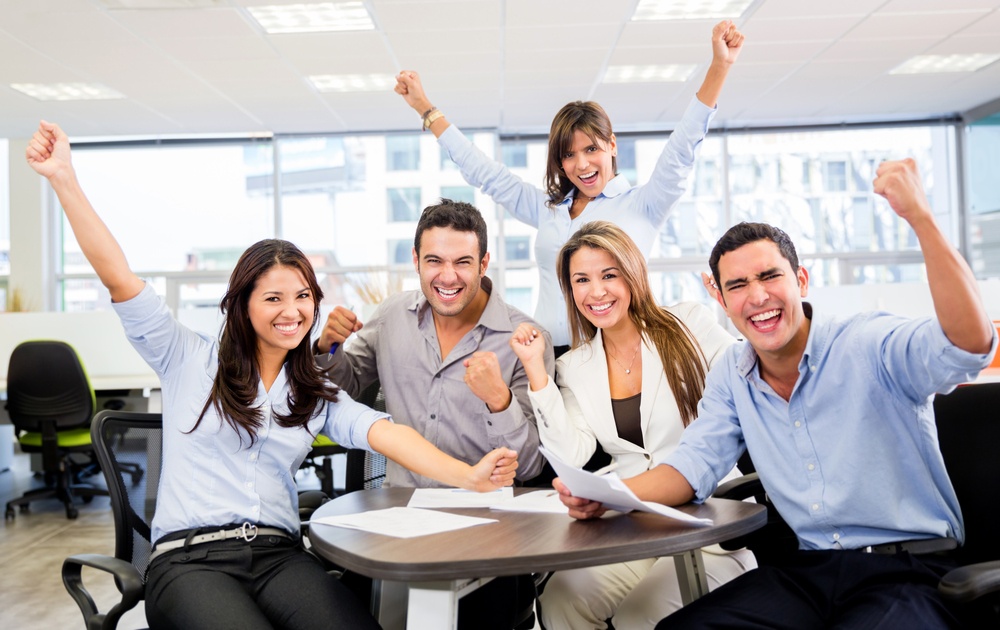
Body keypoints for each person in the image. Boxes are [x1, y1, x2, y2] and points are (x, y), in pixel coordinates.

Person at [26, 121, 519, 630]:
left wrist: (468, 476)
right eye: (274, 298)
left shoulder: (312, 390)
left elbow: (384, 432)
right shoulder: (184, 358)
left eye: (303, 296)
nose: (293, 311)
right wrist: (64, 178)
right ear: (242, 304)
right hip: (189, 561)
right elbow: (118, 276)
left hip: (279, 556)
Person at [555, 159, 997, 629]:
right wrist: (610, 496)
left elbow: (968, 344)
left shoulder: (869, 343)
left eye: (770, 277)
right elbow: (690, 468)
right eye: (738, 286)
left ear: (801, 280)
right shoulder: (733, 373)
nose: (757, 297)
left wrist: (921, 220)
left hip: (905, 569)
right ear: (721, 300)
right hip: (807, 571)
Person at [395, 20, 744, 355]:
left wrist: (720, 67)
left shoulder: (644, 205)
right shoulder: (549, 210)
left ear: (612, 145)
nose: (581, 164)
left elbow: (682, 148)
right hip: (547, 355)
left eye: (591, 149)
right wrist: (426, 109)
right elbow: (484, 172)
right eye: (568, 154)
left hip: (613, 354)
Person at [315, 198, 555, 629]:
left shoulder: (525, 339)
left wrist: (499, 399)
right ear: (416, 260)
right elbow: (346, 387)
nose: (448, 276)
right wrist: (325, 349)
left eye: (463, 261)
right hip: (397, 514)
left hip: (488, 523)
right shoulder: (392, 317)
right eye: (434, 261)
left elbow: (534, 464)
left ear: (484, 262)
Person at [508, 221, 755, 629]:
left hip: (706, 523)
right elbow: (572, 453)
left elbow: (746, 375)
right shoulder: (575, 366)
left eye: (609, 275)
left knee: (641, 616)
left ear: (633, 275)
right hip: (630, 527)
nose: (597, 291)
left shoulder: (687, 324)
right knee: (561, 598)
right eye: (581, 280)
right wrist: (537, 370)